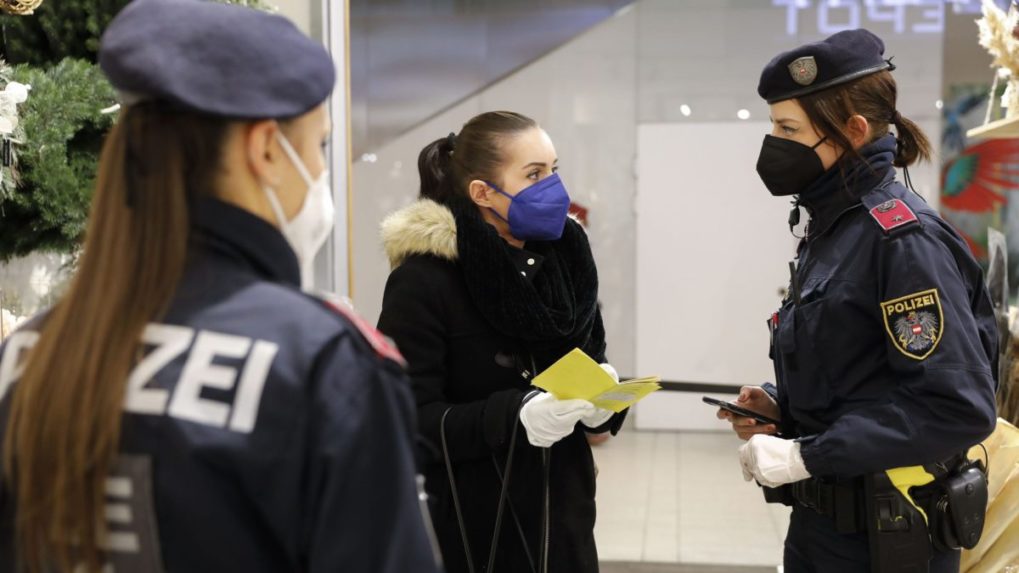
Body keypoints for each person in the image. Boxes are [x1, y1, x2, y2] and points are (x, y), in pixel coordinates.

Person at [0, 1, 438, 572]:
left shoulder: (30, 353)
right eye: (320, 146)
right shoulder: (320, 364)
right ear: (264, 149)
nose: (320, 170)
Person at [718, 29, 998, 572]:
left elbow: (955, 405)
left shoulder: (901, 239)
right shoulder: (836, 227)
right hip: (825, 526)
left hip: (890, 538)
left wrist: (805, 454)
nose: (773, 142)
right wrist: (783, 406)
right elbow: (862, 370)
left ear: (854, 131)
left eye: (788, 128)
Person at [377, 111, 625, 573]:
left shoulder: (566, 262)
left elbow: (591, 356)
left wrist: (604, 400)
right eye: (534, 175)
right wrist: (516, 417)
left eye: (554, 169)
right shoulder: (424, 280)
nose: (554, 187)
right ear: (482, 193)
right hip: (476, 526)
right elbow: (407, 420)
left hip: (565, 517)